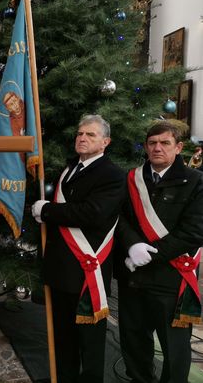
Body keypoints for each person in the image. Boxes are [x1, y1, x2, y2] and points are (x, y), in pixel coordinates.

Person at [31, 114, 125, 383]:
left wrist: (48, 210)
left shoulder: (112, 174)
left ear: (105, 142)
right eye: (80, 134)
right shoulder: (72, 167)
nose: (82, 138)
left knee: (91, 341)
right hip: (61, 268)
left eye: (91, 135)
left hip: (87, 270)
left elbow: (92, 213)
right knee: (63, 336)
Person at [115, 121, 203, 383]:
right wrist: (132, 245)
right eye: (152, 143)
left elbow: (194, 232)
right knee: (133, 339)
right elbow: (118, 217)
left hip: (171, 277)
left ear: (178, 147)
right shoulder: (131, 178)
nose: (157, 148)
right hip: (133, 275)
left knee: (174, 347)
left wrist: (149, 255)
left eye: (165, 143)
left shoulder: (196, 182)